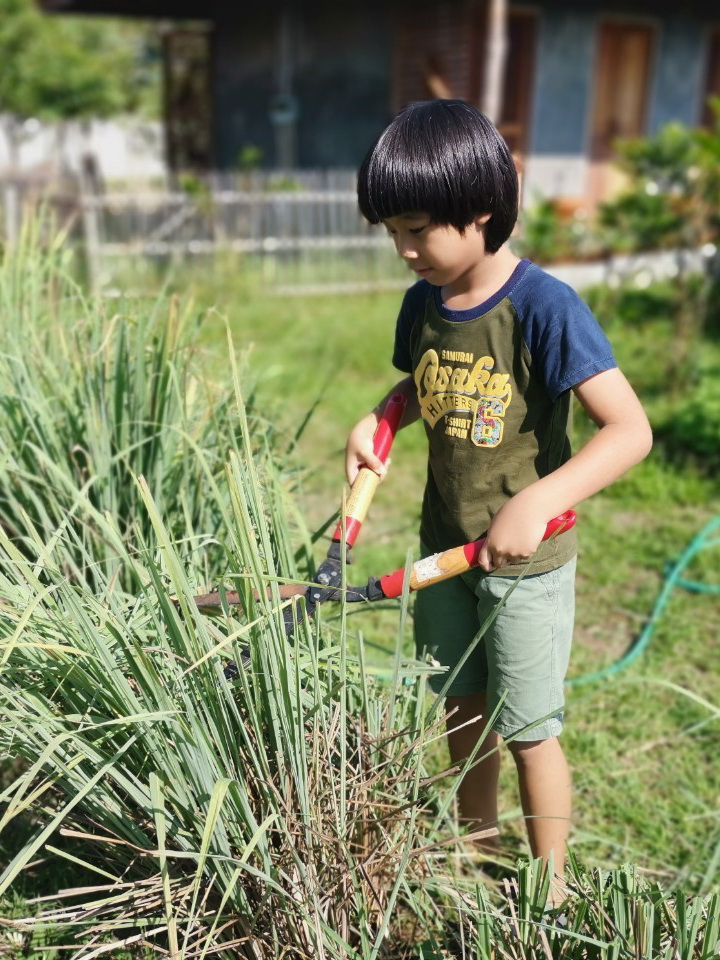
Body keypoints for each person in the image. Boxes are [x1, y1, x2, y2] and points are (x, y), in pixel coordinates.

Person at [345, 100, 652, 904]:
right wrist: (382, 415)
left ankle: (548, 887)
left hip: (528, 563)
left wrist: (539, 501)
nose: (405, 250)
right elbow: (422, 381)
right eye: (393, 233)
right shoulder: (426, 298)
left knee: (528, 729)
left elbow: (629, 431)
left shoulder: (544, 308)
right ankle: (474, 852)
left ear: (481, 210)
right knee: (460, 708)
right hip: (445, 544)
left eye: (418, 229)